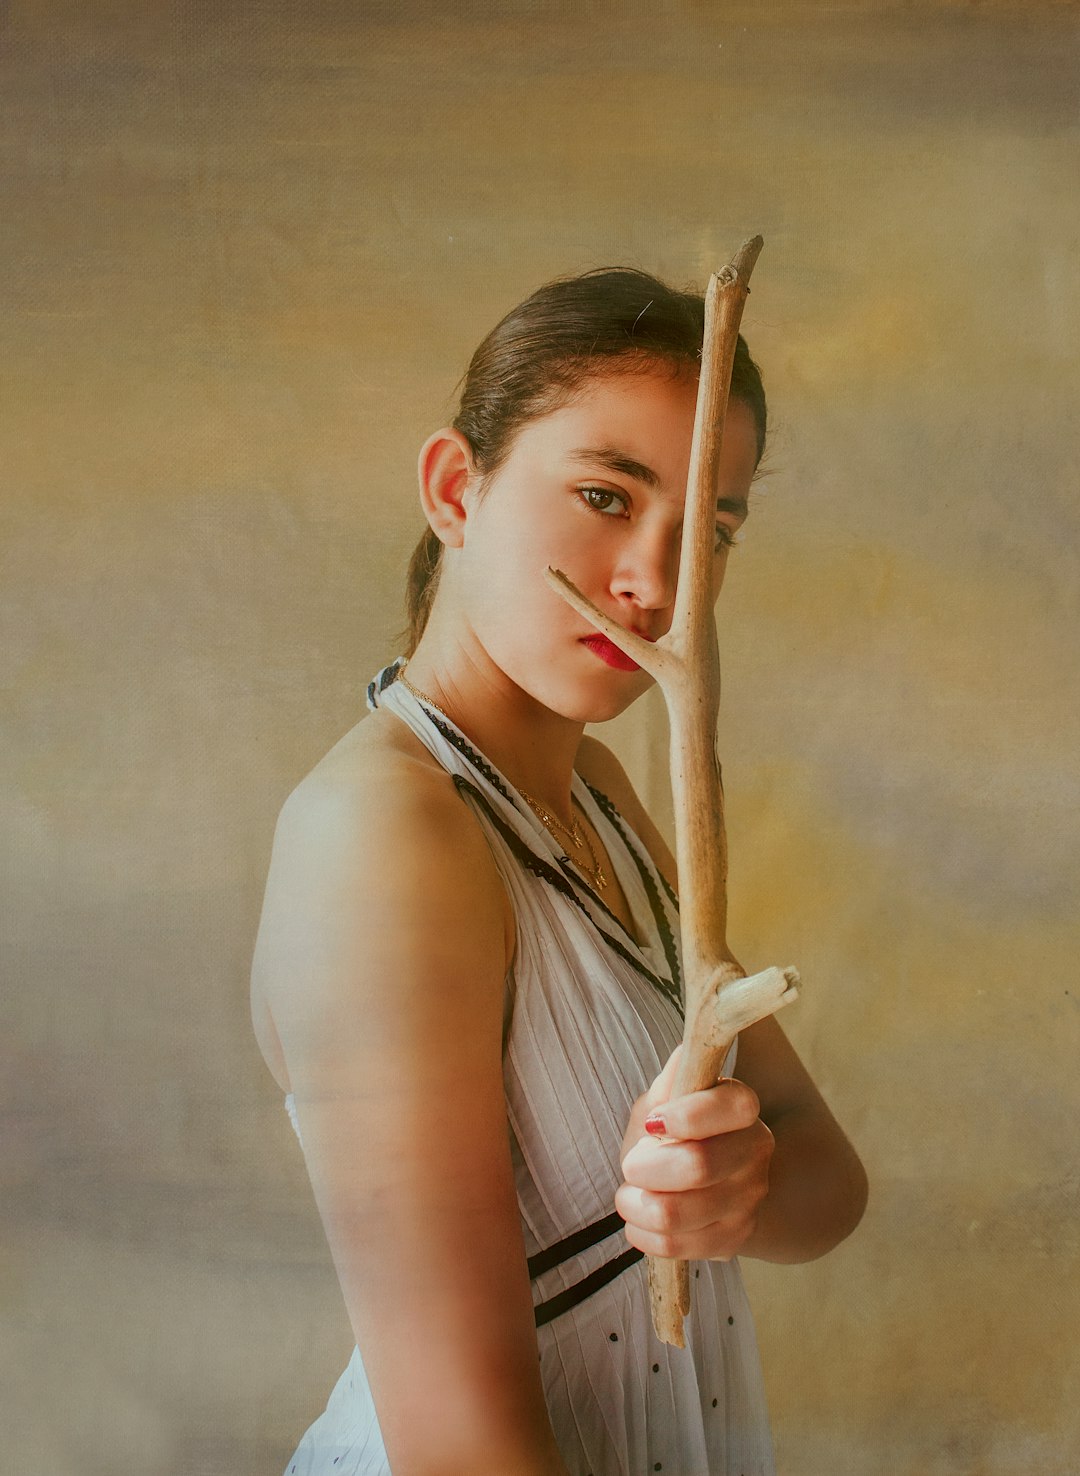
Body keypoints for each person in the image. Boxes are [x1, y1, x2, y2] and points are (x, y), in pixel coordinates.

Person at [250, 266, 868, 1476]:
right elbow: (459, 1445)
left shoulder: (601, 795)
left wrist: (737, 1191)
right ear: (454, 489)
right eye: (603, 494)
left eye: (711, 528)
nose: (657, 580)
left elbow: (828, 1184)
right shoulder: (386, 837)